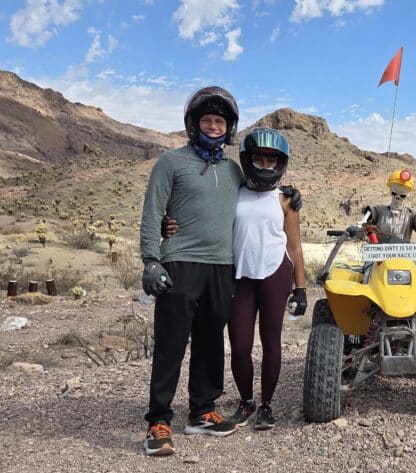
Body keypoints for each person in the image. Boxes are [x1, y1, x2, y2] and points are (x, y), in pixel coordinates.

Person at [139, 86, 242, 456]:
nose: (213, 126)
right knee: (170, 343)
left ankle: (201, 411)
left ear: (228, 128)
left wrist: (290, 196)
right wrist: (151, 259)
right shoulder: (170, 162)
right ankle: (158, 420)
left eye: (220, 121)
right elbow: (153, 212)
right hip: (180, 262)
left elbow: (260, 195)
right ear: (193, 124)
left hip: (222, 266)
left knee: (211, 341)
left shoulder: (234, 170)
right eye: (207, 120)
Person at [223, 128, 307, 431]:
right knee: (241, 345)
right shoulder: (233, 193)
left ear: (280, 163)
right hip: (240, 276)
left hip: (276, 273)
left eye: (272, 159)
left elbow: (294, 245)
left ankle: (267, 406)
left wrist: (301, 289)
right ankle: (246, 402)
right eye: (259, 158)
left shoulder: (285, 200)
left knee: (272, 343)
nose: (265, 164)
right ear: (248, 160)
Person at [359, 169, 416, 242]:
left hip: (401, 251)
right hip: (381, 252)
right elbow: (371, 211)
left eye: (402, 195)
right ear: (390, 191)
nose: (397, 197)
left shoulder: (410, 213)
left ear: (407, 195)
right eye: (394, 193)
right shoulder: (381, 210)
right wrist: (364, 220)